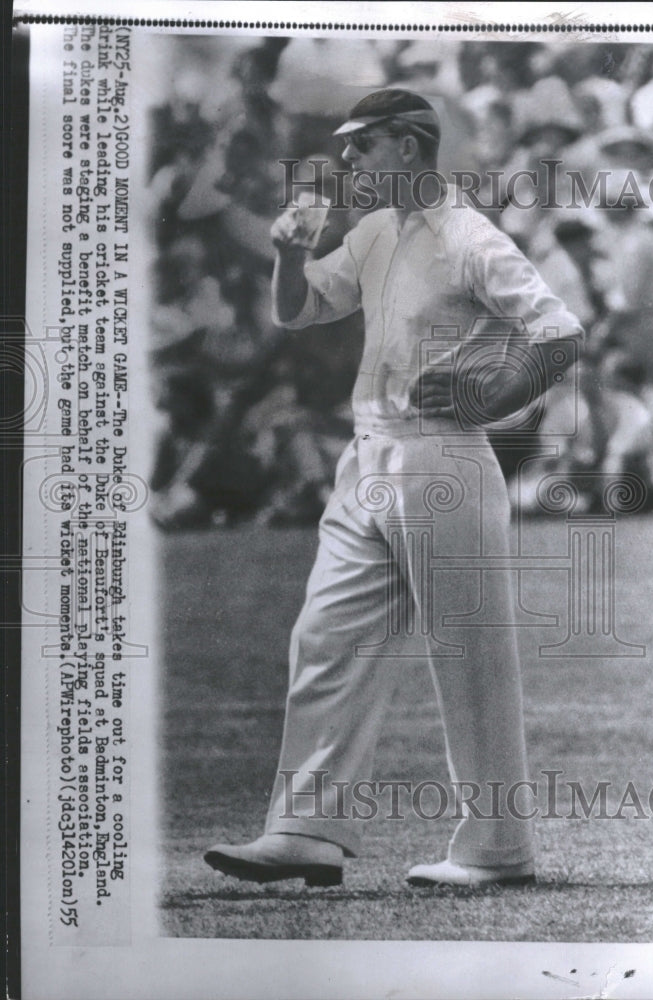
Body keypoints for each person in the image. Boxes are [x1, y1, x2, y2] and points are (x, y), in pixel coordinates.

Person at [204, 89, 583, 888]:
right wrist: (283, 256)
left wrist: (491, 396)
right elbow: (304, 309)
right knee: (323, 636)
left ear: (408, 148)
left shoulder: (468, 235)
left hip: (444, 460)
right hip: (367, 458)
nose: (346, 161)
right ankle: (305, 831)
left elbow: (559, 331)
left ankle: (497, 850)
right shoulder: (376, 229)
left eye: (360, 145)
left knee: (469, 657)